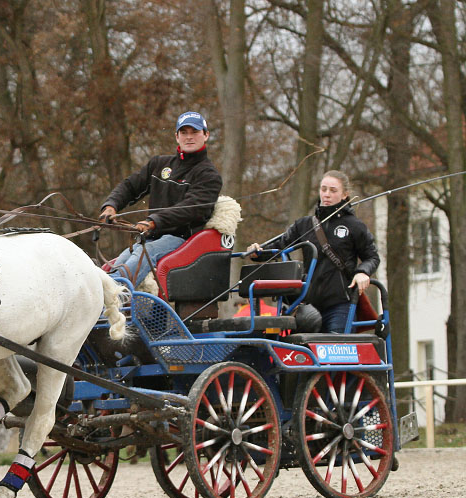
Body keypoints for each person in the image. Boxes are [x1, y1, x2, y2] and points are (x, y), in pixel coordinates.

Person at [246, 170, 380, 333]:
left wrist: (363, 272)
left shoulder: (355, 226)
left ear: (345, 195)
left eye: (333, 190)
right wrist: (257, 252)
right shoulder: (304, 225)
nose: (327, 194)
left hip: (341, 303)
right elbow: (280, 245)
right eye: (323, 189)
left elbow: (372, 257)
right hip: (309, 306)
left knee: (335, 353)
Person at [99, 111, 223, 286]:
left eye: (194, 132)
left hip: (183, 240)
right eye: (184, 133)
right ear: (176, 136)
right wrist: (111, 206)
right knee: (120, 262)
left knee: (142, 255)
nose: (189, 137)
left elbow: (190, 208)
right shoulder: (159, 164)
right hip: (151, 237)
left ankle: (111, 299)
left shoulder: (208, 175)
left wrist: (153, 221)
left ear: (206, 135)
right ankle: (108, 302)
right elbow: (130, 186)